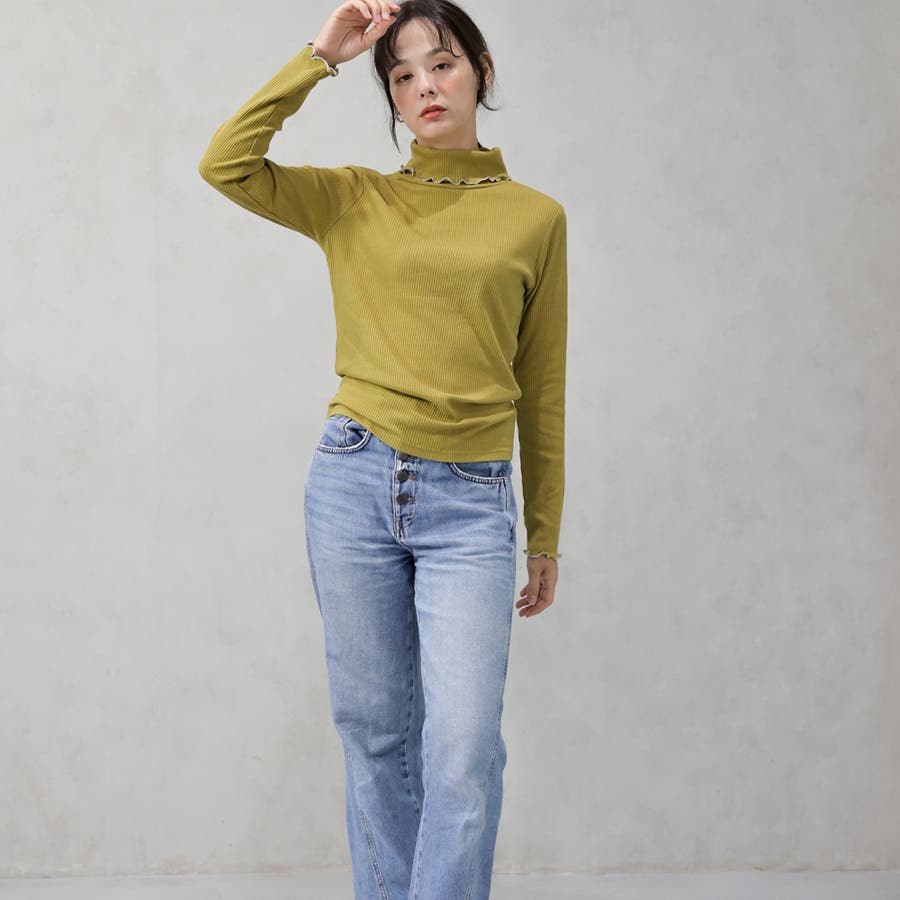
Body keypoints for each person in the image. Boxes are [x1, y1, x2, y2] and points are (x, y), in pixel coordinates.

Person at [198, 1, 567, 896]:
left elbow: (542, 385)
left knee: (464, 748)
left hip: (471, 501)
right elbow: (226, 163)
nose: (424, 87)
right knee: (374, 734)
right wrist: (321, 57)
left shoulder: (536, 219)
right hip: (353, 480)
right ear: (392, 99)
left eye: (441, 64)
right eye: (402, 76)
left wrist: (544, 531)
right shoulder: (356, 197)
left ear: (480, 69)